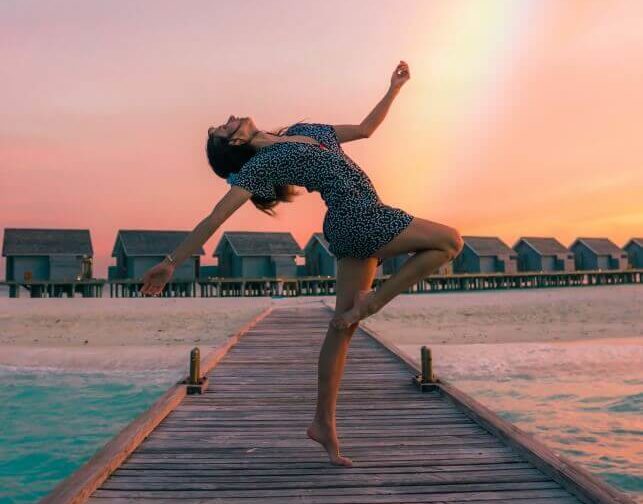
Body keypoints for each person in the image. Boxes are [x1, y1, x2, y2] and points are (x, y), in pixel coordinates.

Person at [140, 60, 464, 467]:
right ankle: (374, 303)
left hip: (353, 226)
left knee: (342, 328)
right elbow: (215, 218)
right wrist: (171, 262)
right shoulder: (263, 165)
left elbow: (365, 129)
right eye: (225, 128)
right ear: (235, 144)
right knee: (450, 240)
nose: (231, 118)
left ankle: (323, 424)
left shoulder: (306, 131)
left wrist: (394, 88)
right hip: (360, 219)